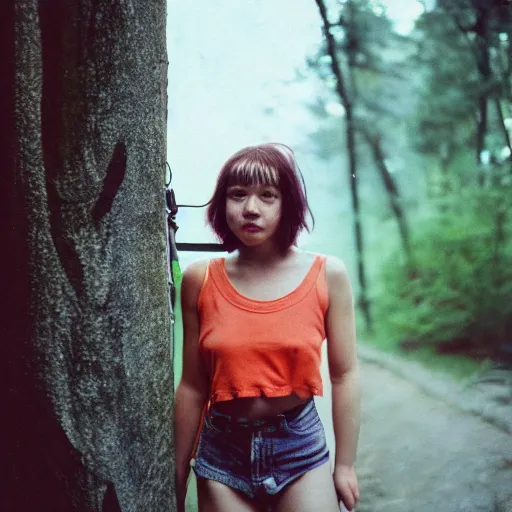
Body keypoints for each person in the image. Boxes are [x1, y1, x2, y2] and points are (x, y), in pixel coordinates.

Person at [174, 143, 360, 512]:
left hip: (299, 449)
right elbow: (193, 385)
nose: (251, 209)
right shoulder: (199, 279)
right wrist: (177, 470)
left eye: (268, 195)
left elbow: (346, 374)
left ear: (287, 204)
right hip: (223, 453)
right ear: (222, 204)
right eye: (238, 195)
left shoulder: (327, 274)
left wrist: (345, 465)